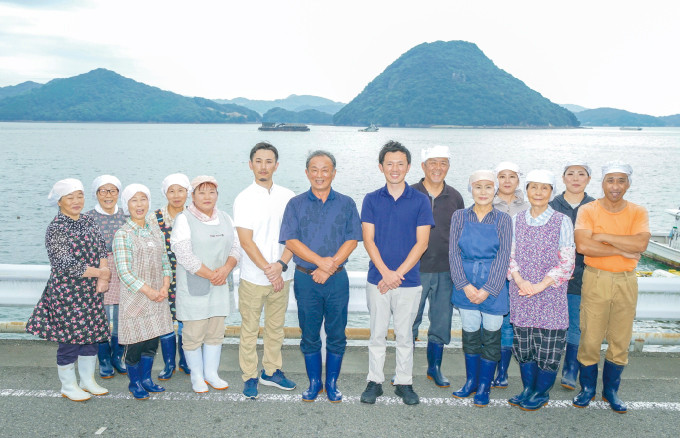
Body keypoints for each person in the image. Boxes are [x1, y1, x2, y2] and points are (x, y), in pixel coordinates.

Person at [280, 150, 362, 402]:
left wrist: (331, 265)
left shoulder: (346, 203)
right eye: (314, 169)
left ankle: (332, 384)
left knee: (337, 333)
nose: (319, 174)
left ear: (334, 173)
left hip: (337, 279)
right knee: (310, 333)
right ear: (306, 173)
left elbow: (353, 239)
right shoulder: (295, 204)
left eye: (325, 169)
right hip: (306, 279)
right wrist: (320, 263)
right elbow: (291, 240)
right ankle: (315, 383)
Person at [360, 141, 434, 406]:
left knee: (405, 335)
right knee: (377, 334)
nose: (395, 168)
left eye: (400, 163)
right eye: (389, 163)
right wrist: (385, 273)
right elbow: (369, 240)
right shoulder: (370, 199)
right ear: (381, 167)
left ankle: (404, 382)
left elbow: (422, 243)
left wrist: (396, 275)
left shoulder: (420, 200)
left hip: (408, 281)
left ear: (409, 167)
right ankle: (375, 381)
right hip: (377, 279)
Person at [572, 162, 650, 414]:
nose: (615, 186)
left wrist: (602, 237)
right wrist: (621, 249)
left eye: (621, 180)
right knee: (590, 337)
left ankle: (611, 390)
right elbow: (583, 245)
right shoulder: (588, 209)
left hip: (627, 280)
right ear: (602, 183)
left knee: (620, 338)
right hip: (596, 278)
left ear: (628, 183)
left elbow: (641, 243)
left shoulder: (638, 212)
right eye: (610, 180)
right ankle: (587, 389)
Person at [26, 178, 110, 401]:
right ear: (59, 202)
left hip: (91, 291)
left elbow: (102, 248)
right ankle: (68, 385)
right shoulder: (56, 228)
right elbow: (65, 264)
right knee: (70, 339)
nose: (76, 201)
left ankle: (87, 380)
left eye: (79, 196)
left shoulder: (88, 220)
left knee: (92, 336)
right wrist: (100, 273)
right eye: (70, 197)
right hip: (67, 292)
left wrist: (104, 273)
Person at [506, 170, 575, 411]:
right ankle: (528, 388)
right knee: (524, 345)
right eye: (533, 187)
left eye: (544, 188)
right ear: (526, 190)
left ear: (551, 192)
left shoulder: (561, 221)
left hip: (550, 294)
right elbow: (509, 255)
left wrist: (541, 284)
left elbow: (567, 261)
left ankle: (541, 392)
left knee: (548, 346)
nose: (538, 192)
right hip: (522, 291)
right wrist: (519, 280)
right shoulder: (516, 220)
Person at [233, 142, 296, 400]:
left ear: (276, 165)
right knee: (249, 328)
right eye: (258, 161)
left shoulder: (289, 196)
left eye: (269, 161)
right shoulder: (244, 198)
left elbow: (294, 236)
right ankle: (249, 375)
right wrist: (269, 270)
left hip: (283, 273)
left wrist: (280, 265)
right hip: (253, 276)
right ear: (251, 165)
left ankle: (271, 371)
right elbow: (246, 241)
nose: (263, 166)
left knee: (275, 327)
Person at [171, 176, 240, 393]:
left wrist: (227, 268)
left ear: (217, 195)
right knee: (193, 334)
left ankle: (211, 373)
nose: (207, 197)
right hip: (195, 286)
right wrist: (211, 274)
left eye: (212, 192)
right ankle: (197, 376)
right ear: (193, 196)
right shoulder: (184, 219)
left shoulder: (226, 218)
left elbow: (236, 249)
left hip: (220, 285)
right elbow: (183, 254)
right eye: (201, 192)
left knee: (215, 332)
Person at [449, 170, 512, 407]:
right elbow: (453, 253)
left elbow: (504, 255)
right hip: (465, 283)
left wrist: (487, 288)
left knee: (492, 336)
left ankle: (485, 386)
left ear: (495, 189)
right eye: (478, 187)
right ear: (470, 190)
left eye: (488, 187)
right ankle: (471, 382)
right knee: (471, 335)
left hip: (493, 288)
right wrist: (464, 285)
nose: (483, 192)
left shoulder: (503, 219)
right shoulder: (459, 216)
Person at [113, 184, 174, 400]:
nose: (139, 205)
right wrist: (149, 291)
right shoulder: (123, 234)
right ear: (126, 205)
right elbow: (124, 272)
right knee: (135, 343)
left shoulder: (153, 228)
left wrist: (165, 286)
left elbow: (165, 260)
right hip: (137, 297)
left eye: (143, 199)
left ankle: (147, 379)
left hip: (158, 294)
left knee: (151, 341)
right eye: (134, 200)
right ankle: (135, 382)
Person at [411, 145, 464, 388]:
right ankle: (404, 368)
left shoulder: (455, 197)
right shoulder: (409, 194)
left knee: (441, 321)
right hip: (414, 269)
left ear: (448, 167)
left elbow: (461, 234)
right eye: (432, 162)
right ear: (423, 166)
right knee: (409, 320)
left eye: (443, 163)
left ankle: (435, 368)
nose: (437, 168)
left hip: (446, 270)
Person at [548, 163, 595, 390]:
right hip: (553, 275)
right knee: (553, 323)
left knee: (576, 324)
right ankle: (550, 365)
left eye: (581, 174)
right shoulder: (552, 205)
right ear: (563, 178)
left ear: (588, 178)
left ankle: (570, 369)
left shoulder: (595, 206)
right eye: (570, 174)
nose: (575, 178)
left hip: (584, 274)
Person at [491, 161, 530, 388]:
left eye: (512, 176)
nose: (507, 181)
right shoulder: (486, 202)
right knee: (494, 320)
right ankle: (491, 364)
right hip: (494, 272)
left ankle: (503, 371)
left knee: (509, 324)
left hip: (519, 274)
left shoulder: (527, 207)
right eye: (502, 176)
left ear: (518, 180)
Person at [87, 175, 128, 379]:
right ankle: (103, 359)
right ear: (96, 194)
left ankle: (118, 356)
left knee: (122, 317)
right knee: (100, 316)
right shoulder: (87, 218)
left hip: (122, 269)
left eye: (112, 191)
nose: (108, 195)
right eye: (103, 191)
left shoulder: (126, 215)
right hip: (99, 270)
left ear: (119, 193)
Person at [154, 173, 193, 380]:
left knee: (186, 319)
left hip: (189, 275)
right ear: (165, 193)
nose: (176, 195)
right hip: (164, 277)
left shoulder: (194, 215)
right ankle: (169, 363)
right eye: (171, 191)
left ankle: (186, 361)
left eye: (181, 190)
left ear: (188, 192)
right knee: (165, 320)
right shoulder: (156, 217)